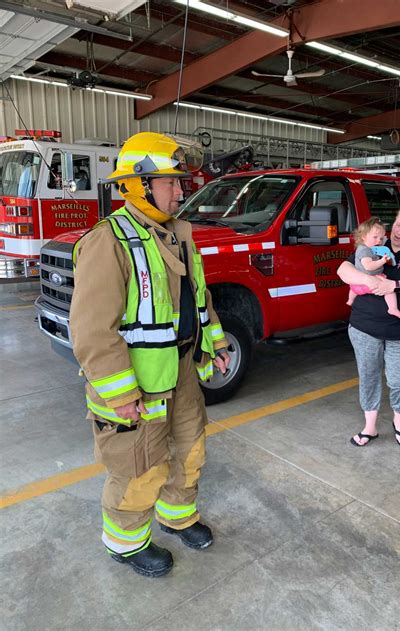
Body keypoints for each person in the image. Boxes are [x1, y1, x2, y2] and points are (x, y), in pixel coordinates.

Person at [70, 132, 230, 578]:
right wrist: (118, 393)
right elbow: (91, 330)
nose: (181, 191)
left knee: (190, 450)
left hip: (180, 369)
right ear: (139, 184)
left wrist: (214, 344)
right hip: (136, 384)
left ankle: (177, 516)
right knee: (139, 465)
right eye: (172, 182)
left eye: (180, 183)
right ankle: (125, 543)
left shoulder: (178, 234)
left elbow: (199, 300)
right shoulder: (108, 241)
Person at [337, 202, 400, 447]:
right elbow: (343, 270)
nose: (399, 232)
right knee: (369, 376)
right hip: (363, 326)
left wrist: (394, 286)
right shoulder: (374, 244)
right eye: (398, 225)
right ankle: (370, 427)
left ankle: (399, 422)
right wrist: (370, 281)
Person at [346, 217, 400, 321]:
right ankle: (393, 308)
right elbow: (368, 266)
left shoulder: (366, 248)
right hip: (370, 280)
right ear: (364, 237)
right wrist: (383, 261)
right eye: (375, 237)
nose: (379, 240)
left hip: (356, 286)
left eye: (381, 238)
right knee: (390, 289)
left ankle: (350, 299)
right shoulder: (365, 251)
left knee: (352, 287)